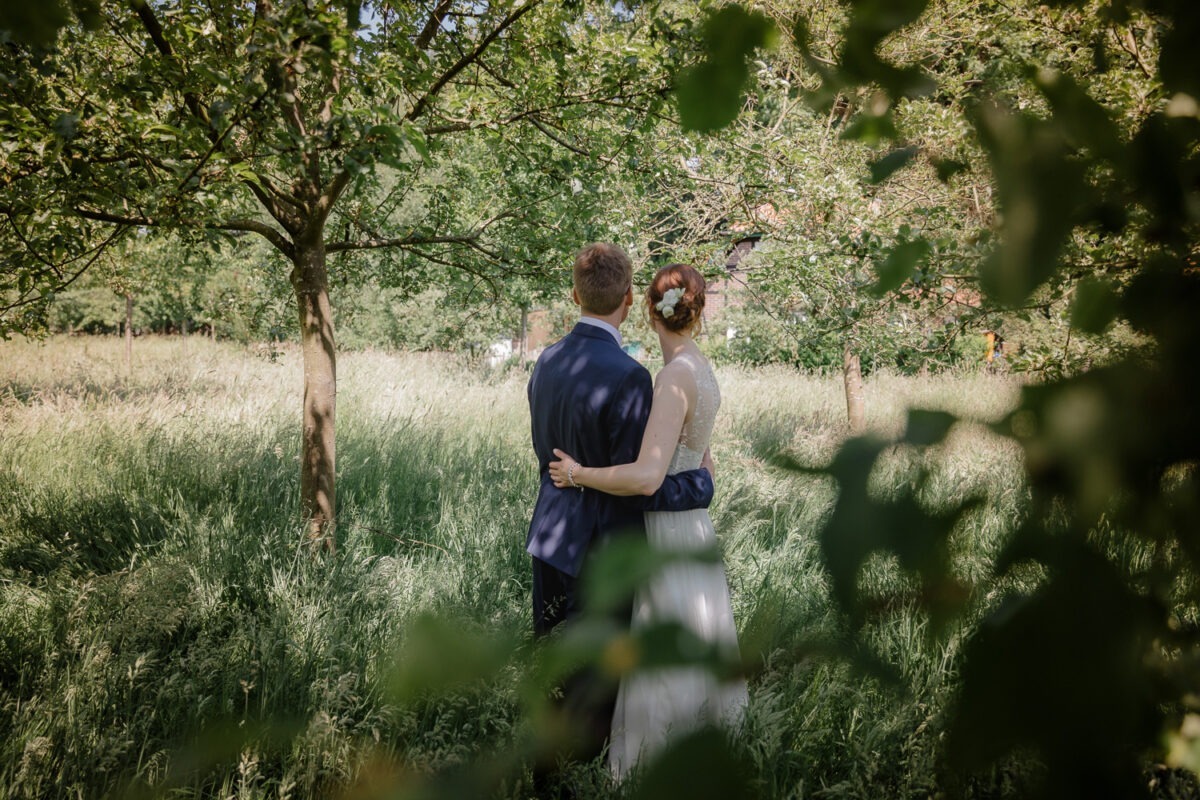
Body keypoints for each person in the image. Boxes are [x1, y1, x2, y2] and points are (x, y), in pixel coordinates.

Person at [547, 263, 749, 780]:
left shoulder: (672, 376)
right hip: (691, 528)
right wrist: (704, 482)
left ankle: (652, 765)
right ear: (696, 311)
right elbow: (700, 458)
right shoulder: (699, 366)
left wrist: (578, 472)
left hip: (665, 529)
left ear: (648, 309)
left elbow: (645, 478)